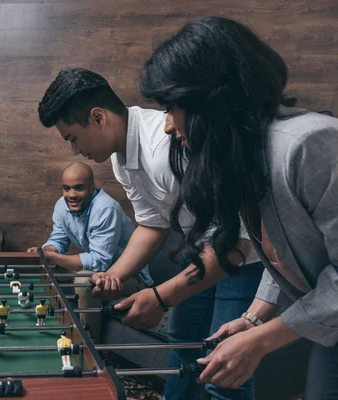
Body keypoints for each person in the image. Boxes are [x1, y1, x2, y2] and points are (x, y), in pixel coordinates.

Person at [140, 16, 338, 399]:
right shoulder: (246, 154)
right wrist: (254, 318)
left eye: (171, 107)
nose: (166, 126)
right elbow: (285, 252)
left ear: (211, 100)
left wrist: (263, 339)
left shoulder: (309, 143)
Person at [38, 68, 263, 400]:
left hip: (241, 257)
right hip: (200, 251)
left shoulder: (167, 145)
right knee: (183, 349)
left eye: (72, 137)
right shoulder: (120, 158)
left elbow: (233, 239)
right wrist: (114, 274)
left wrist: (160, 297)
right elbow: (152, 223)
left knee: (225, 373)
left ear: (98, 118)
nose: (74, 150)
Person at [28, 161, 153, 342]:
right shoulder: (62, 206)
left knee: (85, 281)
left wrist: (53, 257)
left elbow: (99, 261)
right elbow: (58, 241)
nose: (71, 195)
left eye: (78, 188)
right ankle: (53, 328)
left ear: (92, 189)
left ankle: (90, 345)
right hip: (98, 270)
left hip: (129, 277)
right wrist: (44, 252)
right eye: (66, 188)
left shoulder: (105, 208)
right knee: (47, 269)